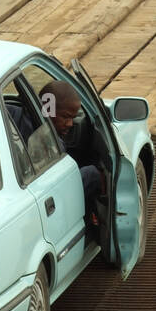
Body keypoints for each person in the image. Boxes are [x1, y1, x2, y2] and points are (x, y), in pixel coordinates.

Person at [40, 80, 102, 226]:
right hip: (51, 202)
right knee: (92, 174)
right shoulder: (50, 144)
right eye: (65, 117)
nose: (70, 124)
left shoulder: (16, 115)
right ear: (47, 110)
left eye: (73, 118)